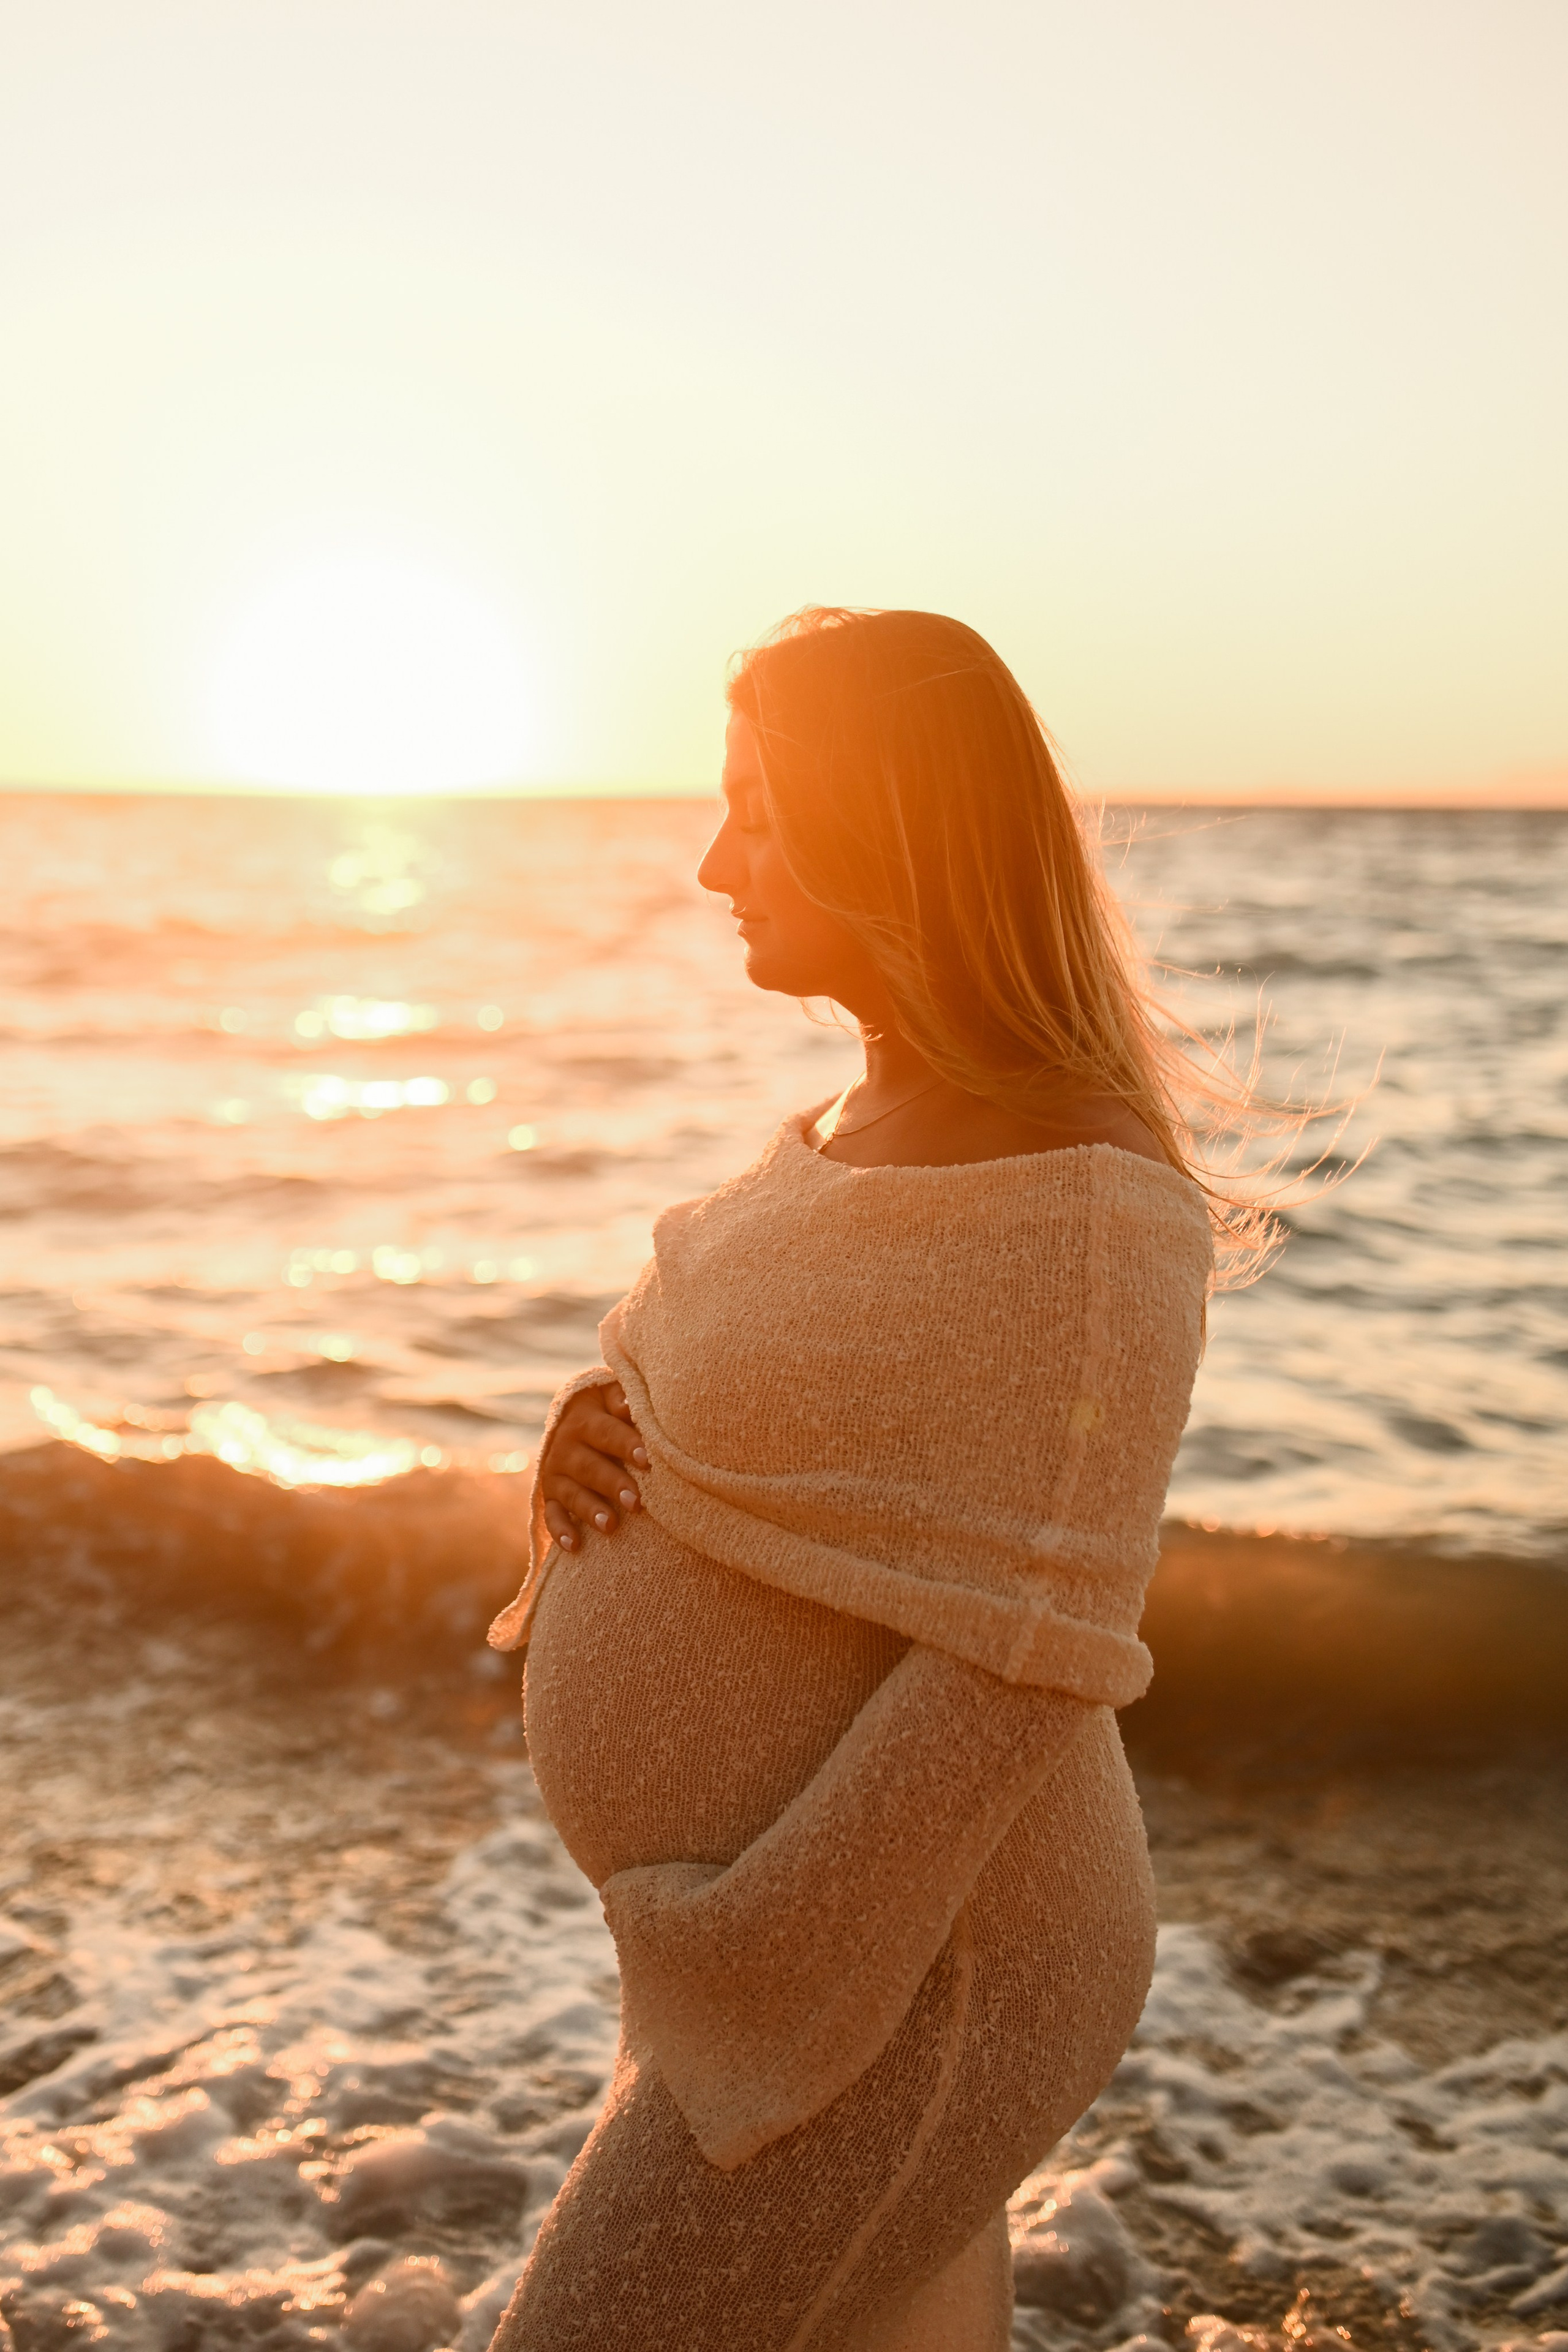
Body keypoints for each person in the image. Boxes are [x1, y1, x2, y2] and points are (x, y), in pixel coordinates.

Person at [486, 608, 1240, 2351]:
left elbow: (1025, 1655)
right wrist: (592, 1424)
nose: (710, 865)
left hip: (919, 1963)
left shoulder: (1095, 1208)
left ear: (882, 825)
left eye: (755, 810)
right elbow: (781, 1410)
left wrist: (767, 1963)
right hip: (782, 1947)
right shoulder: (851, 1121)